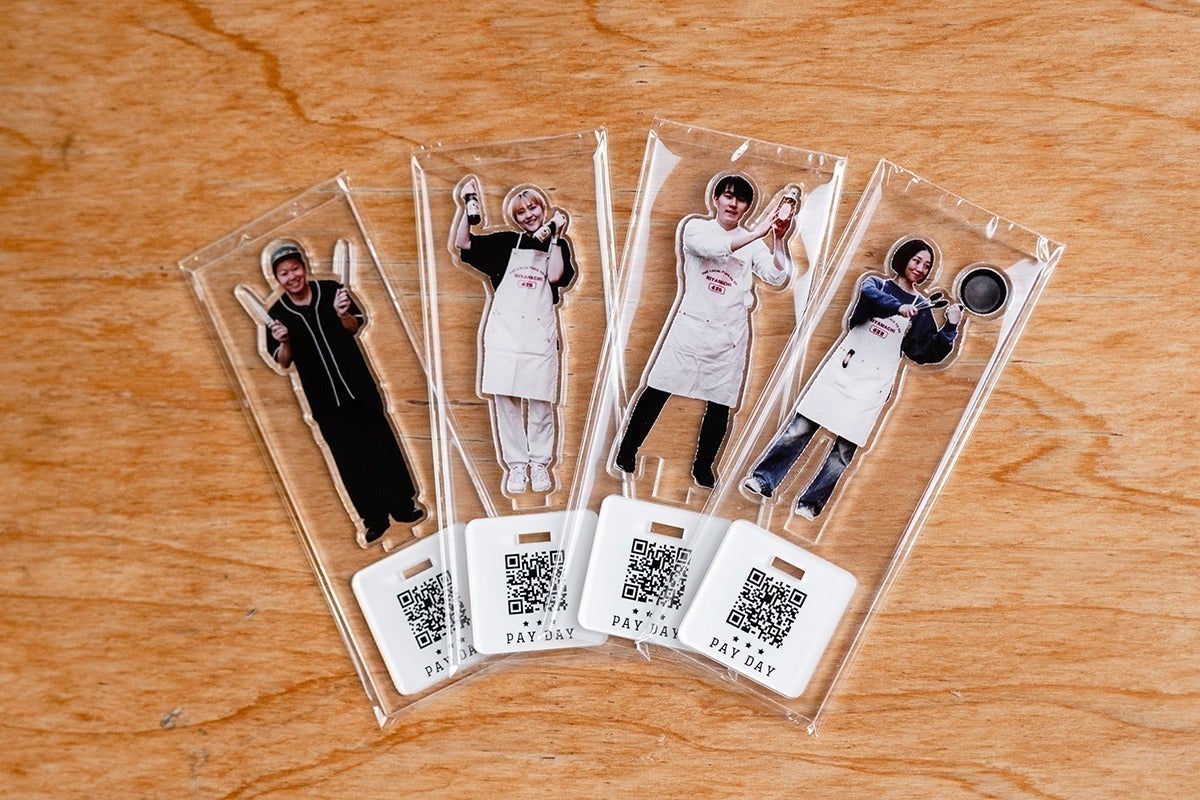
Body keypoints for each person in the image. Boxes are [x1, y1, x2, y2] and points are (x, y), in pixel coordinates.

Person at [743, 236, 963, 519]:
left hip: (873, 385)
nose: (920, 268)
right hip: (843, 369)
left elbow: (925, 352)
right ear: (904, 258)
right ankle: (764, 479)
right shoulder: (875, 285)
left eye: (926, 265)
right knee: (799, 428)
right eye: (916, 260)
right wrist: (898, 308)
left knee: (844, 451)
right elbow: (871, 299)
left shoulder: (921, 306)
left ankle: (810, 503)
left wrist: (950, 327)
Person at [615, 172, 794, 488]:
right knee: (658, 389)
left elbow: (778, 276)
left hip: (728, 335)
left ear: (747, 207)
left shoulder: (753, 244)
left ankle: (703, 467)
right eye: (728, 196)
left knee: (720, 404)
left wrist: (778, 238)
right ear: (715, 199)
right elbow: (713, 249)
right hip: (691, 327)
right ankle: (627, 451)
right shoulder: (695, 228)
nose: (733, 204)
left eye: (741, 200)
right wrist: (759, 232)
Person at [263, 241, 422, 545]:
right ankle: (373, 519)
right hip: (325, 403)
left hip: (359, 388)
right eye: (284, 273)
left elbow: (353, 327)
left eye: (295, 268)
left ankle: (403, 505)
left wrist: (342, 314)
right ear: (277, 278)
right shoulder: (277, 315)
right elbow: (283, 361)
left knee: (381, 445)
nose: (292, 276)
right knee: (349, 460)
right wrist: (284, 341)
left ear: (304, 267)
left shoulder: (332, 291)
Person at [451, 180, 576, 495]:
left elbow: (555, 276)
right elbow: (462, 242)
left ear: (543, 208)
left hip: (538, 335)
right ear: (515, 218)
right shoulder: (504, 243)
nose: (529, 215)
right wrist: (467, 203)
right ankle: (517, 467)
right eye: (521, 212)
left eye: (533, 208)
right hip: (505, 336)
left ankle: (540, 464)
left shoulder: (558, 244)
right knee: (506, 403)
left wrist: (555, 236)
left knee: (541, 402)